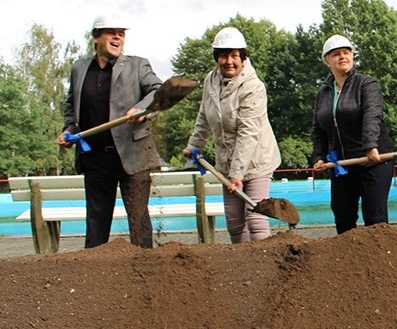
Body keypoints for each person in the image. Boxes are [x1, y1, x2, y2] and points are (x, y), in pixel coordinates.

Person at [57, 12, 163, 249]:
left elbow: (157, 90)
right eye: (112, 33)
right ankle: (95, 277)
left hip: (132, 154)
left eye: (121, 34)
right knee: (96, 223)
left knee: (139, 221)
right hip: (94, 157)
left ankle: (145, 269)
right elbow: (70, 105)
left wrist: (141, 108)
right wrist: (69, 129)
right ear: (96, 37)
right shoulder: (79, 68)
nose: (118, 37)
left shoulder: (137, 65)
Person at [183, 27, 281, 242]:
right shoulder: (211, 80)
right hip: (227, 162)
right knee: (235, 222)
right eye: (223, 55)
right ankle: (241, 270)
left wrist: (237, 174)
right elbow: (204, 114)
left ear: (243, 58)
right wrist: (194, 145)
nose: (229, 61)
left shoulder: (253, 87)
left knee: (255, 218)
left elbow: (248, 133)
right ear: (216, 57)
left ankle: (263, 266)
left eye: (234, 56)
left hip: (256, 160)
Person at [312, 35, 394, 234]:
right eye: (336, 54)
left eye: (346, 52)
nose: (342, 57)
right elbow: (318, 129)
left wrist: (370, 145)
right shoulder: (323, 93)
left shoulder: (367, 84)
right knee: (343, 215)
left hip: (373, 160)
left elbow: (372, 115)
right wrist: (319, 156)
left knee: (374, 217)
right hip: (342, 165)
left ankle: (382, 261)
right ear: (327, 61)